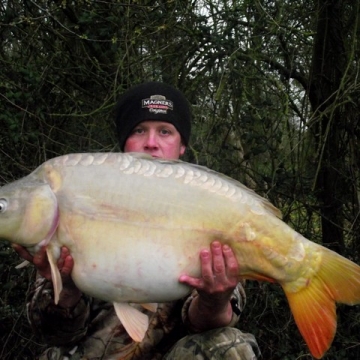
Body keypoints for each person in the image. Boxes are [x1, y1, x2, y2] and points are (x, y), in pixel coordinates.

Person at [14, 82, 260, 359]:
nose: (151, 142)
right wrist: (68, 288)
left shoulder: (214, 209)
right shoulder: (79, 204)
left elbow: (205, 324)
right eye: (139, 130)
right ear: (124, 143)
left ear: (182, 146)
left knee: (229, 346)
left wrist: (214, 301)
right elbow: (51, 333)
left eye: (165, 131)